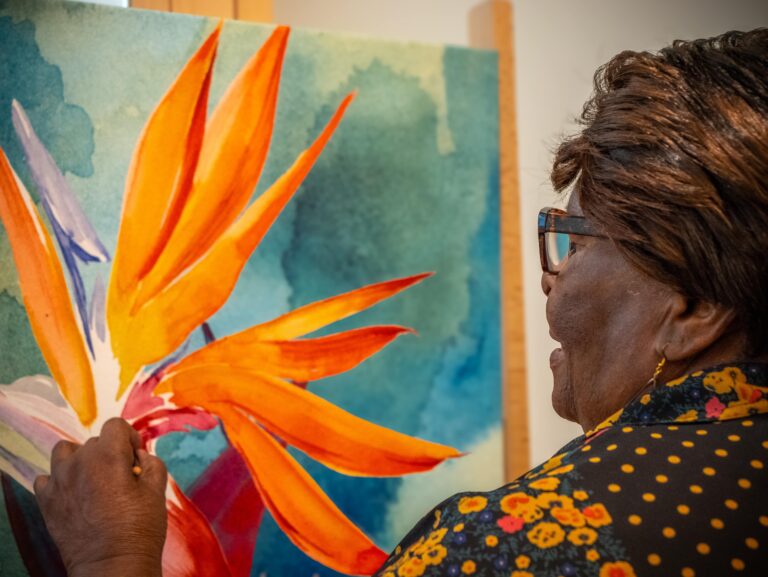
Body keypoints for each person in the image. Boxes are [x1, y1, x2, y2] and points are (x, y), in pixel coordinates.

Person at [34, 28, 768, 577]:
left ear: (696, 305)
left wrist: (108, 558)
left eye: (575, 243)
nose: (554, 277)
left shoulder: (518, 543)